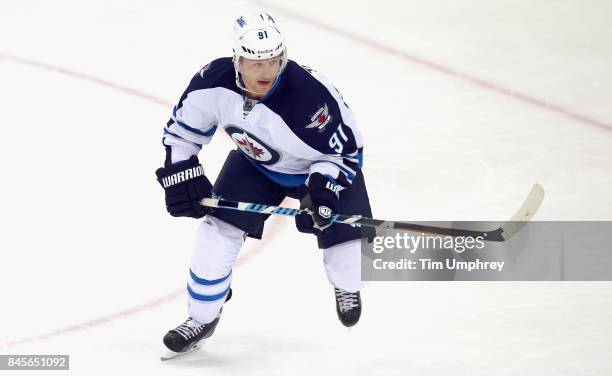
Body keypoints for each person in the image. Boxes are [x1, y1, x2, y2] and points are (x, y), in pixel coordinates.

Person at [155, 12, 373, 359]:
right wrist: (182, 172)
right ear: (237, 60)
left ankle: (348, 286)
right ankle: (201, 318)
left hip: (318, 170)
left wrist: (323, 192)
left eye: (273, 60)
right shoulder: (214, 82)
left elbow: (346, 153)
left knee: (348, 253)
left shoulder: (310, 97)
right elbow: (181, 133)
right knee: (215, 234)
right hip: (255, 166)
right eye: (256, 63)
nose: (266, 72)